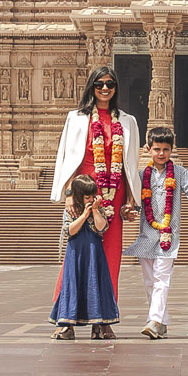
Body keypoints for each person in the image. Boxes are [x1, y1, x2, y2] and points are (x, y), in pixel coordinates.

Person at [50, 66, 141, 337]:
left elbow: (131, 162)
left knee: (111, 257)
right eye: (99, 84)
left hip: (114, 194)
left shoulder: (128, 121)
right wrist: (68, 194)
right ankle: (66, 320)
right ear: (91, 87)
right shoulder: (76, 118)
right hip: (83, 192)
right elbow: (67, 156)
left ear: (116, 88)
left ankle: (104, 320)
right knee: (76, 256)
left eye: (110, 84)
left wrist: (131, 201)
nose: (104, 89)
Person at [122, 126, 188, 339]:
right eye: (157, 149)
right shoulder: (141, 176)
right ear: (148, 149)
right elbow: (134, 203)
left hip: (169, 234)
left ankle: (154, 320)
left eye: (166, 149)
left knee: (162, 278)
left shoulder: (179, 173)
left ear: (171, 150)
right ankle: (161, 321)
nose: (161, 154)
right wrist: (128, 210)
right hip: (147, 235)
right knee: (150, 280)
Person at [49, 175, 119, 339]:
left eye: (93, 195)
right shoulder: (71, 210)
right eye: (87, 196)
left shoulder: (98, 208)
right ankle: (68, 325)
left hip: (95, 254)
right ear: (79, 196)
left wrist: (94, 210)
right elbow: (70, 230)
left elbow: (102, 227)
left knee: (97, 284)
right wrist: (84, 214)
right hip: (76, 254)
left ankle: (99, 324)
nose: (91, 199)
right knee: (73, 285)